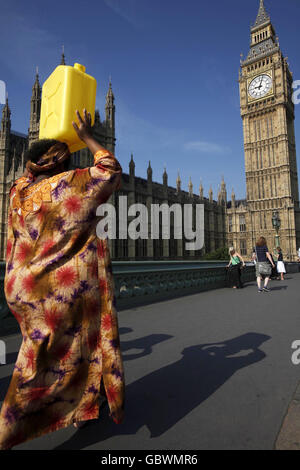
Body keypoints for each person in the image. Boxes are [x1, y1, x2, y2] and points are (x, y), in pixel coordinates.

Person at [0, 109, 125, 450]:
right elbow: (110, 170)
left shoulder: (17, 190)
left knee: (76, 347)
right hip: (58, 291)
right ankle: (8, 429)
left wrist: (33, 164)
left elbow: (26, 175)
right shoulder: (70, 184)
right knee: (38, 364)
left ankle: (86, 405)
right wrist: (86, 135)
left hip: (20, 287)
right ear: (57, 161)